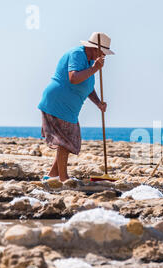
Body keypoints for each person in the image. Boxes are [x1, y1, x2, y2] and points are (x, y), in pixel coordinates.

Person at [38, 32, 115, 182]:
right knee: (65, 141)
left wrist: (98, 103)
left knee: (69, 140)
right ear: (94, 48)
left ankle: (52, 176)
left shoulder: (89, 62)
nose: (104, 56)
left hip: (69, 109)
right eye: (103, 52)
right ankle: (63, 178)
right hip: (58, 103)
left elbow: (87, 86)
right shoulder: (77, 54)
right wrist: (94, 68)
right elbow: (73, 78)